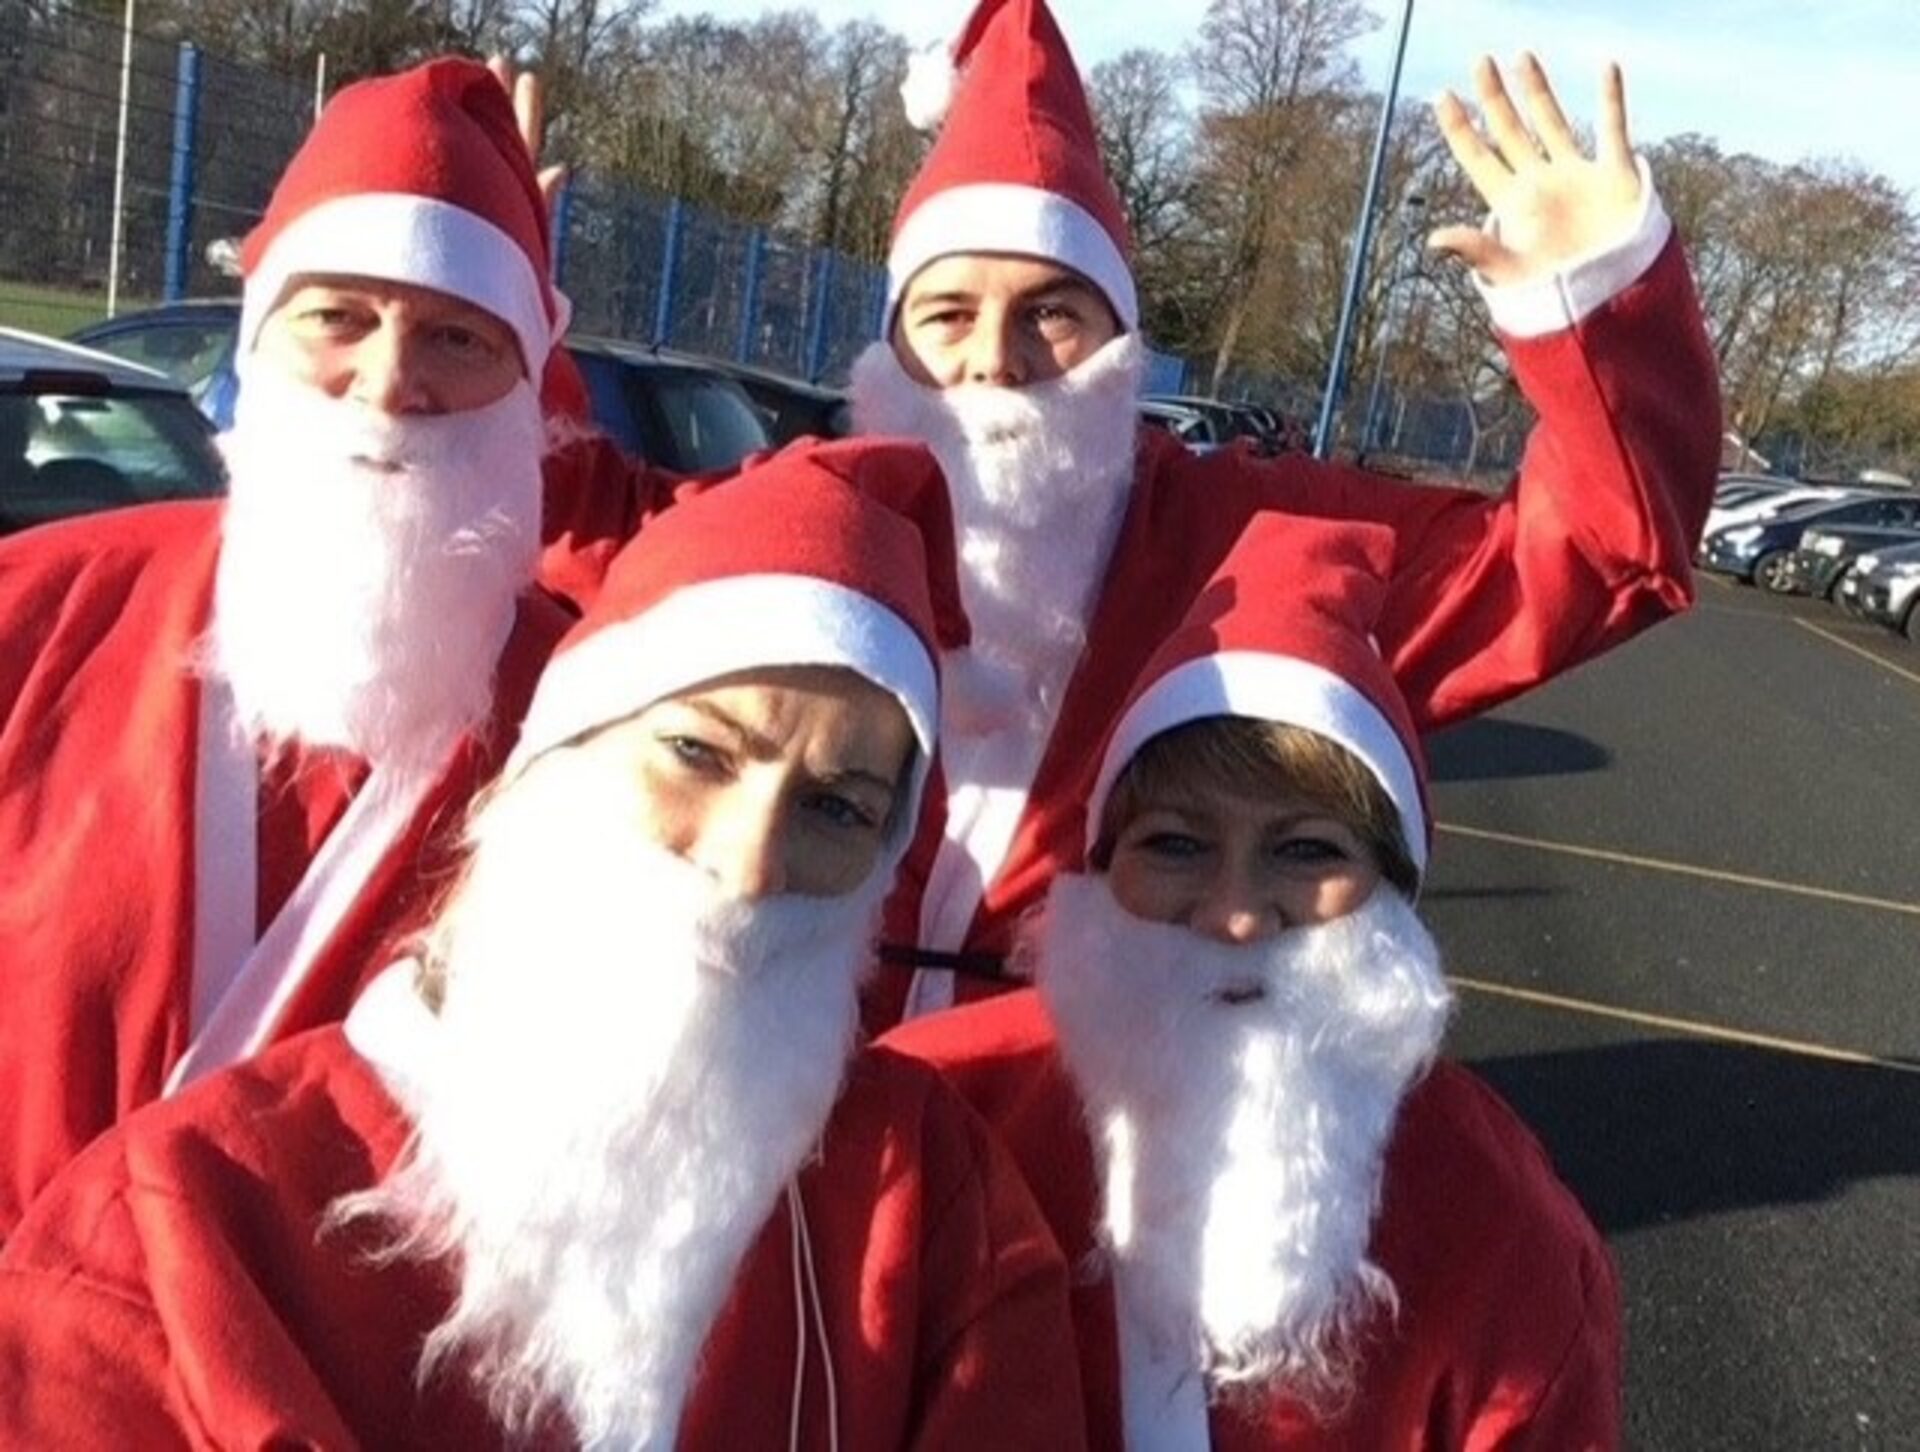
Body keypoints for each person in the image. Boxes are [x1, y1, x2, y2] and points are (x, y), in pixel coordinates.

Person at [0, 449, 1088, 1450]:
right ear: (549, 758)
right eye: (698, 753)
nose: (750, 859)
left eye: (840, 810)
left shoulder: (931, 1202)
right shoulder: (181, 1220)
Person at [885, 513, 1621, 1449]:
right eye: (1177, 845)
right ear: (1103, 871)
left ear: (1392, 888)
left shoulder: (1509, 1233)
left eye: (1306, 850)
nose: (1236, 915)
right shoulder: (939, 1111)